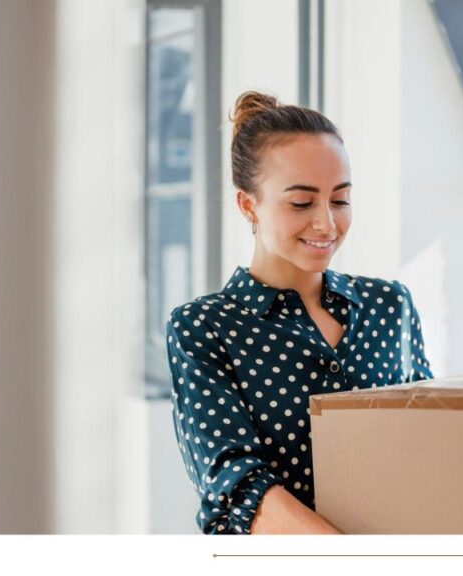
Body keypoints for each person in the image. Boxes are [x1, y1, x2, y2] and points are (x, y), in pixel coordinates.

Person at [165, 91, 434, 534]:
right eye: (301, 203)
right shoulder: (203, 329)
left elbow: (431, 444)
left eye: (341, 199)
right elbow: (238, 486)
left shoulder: (391, 306)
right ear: (248, 204)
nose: (326, 223)